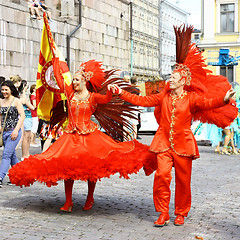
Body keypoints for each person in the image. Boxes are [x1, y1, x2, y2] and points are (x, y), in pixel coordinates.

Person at [109, 25, 237, 226]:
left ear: (183, 81)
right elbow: (142, 101)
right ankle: (162, 212)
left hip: (183, 144)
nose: (170, 80)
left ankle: (180, 212)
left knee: (183, 181)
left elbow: (208, 103)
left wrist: (224, 99)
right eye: (170, 77)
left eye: (174, 78)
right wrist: (120, 92)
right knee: (161, 176)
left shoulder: (192, 99)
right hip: (163, 143)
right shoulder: (163, 96)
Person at [9, 60, 152, 212]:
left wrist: (110, 91)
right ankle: (68, 201)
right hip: (70, 137)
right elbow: (59, 79)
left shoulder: (93, 97)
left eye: (77, 80)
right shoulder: (71, 94)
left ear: (85, 81)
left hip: (90, 137)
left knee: (92, 168)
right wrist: (55, 62)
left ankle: (90, 198)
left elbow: (106, 99)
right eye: (74, 80)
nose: (74, 82)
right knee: (67, 168)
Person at [0, 81, 25, 188]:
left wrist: (16, 130)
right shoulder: (0, 101)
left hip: (14, 132)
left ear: (11, 90)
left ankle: (0, 177)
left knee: (6, 155)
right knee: (11, 156)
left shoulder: (16, 101)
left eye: (6, 89)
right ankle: (21, 175)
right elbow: (0, 116)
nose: (4, 92)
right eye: (2, 89)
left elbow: (22, 116)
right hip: (4, 132)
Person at [19, 80, 35, 160]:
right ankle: (25, 155)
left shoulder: (20, 95)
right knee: (26, 137)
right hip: (26, 118)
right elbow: (32, 107)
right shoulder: (23, 96)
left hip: (27, 117)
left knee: (27, 137)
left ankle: (26, 154)